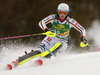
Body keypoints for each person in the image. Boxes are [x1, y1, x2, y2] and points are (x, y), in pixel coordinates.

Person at [7, 3, 87, 70]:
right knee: (38, 51)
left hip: (63, 41)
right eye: (60, 12)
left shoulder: (70, 21)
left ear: (68, 13)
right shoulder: (53, 17)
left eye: (64, 13)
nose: (62, 15)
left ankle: (43, 58)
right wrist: (46, 30)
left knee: (59, 45)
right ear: (57, 12)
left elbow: (82, 29)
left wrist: (83, 38)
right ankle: (16, 62)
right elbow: (41, 22)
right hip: (50, 38)